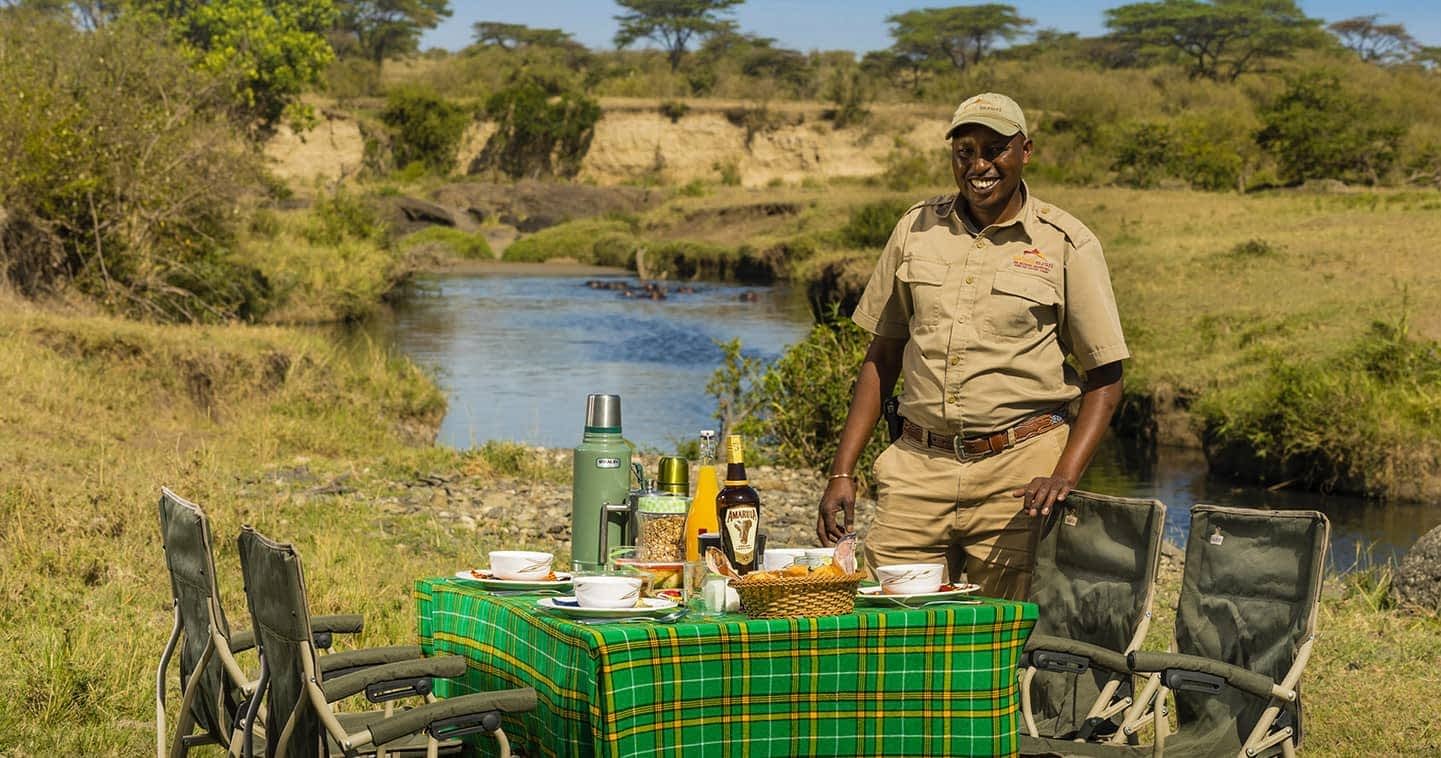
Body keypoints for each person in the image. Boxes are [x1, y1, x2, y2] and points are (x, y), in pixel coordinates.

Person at [815, 93, 1128, 600]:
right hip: (918, 466)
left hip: (1020, 472)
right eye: (965, 151)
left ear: (1026, 151)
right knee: (892, 620)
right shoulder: (916, 228)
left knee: (1004, 627)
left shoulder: (1065, 243)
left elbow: (1106, 378)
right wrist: (842, 472)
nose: (979, 166)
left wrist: (1063, 476)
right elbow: (883, 355)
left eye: (995, 150)